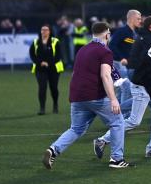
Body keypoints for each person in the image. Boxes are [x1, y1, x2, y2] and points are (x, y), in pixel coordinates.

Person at [42, 22, 133, 170]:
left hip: (77, 96)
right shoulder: (105, 51)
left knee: (76, 129)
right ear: (107, 35)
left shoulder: (82, 49)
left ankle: (53, 150)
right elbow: (105, 75)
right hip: (95, 96)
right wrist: (113, 99)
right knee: (117, 122)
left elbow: (75, 74)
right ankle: (117, 159)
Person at [95, 20, 151, 158]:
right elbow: (148, 56)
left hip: (150, 88)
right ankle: (102, 140)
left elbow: (150, 68)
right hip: (142, 87)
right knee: (134, 121)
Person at [108, 9, 142, 116]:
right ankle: (123, 116)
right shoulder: (122, 31)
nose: (140, 21)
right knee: (126, 88)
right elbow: (112, 45)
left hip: (128, 66)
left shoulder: (135, 33)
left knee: (122, 90)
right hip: (117, 64)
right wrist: (122, 57)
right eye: (138, 19)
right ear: (131, 19)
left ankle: (115, 114)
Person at [30, 24, 64, 115]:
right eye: (42, 30)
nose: (44, 31)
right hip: (40, 69)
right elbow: (32, 54)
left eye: (46, 30)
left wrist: (48, 63)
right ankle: (42, 108)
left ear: (50, 31)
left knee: (54, 88)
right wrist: (40, 62)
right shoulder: (36, 42)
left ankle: (55, 105)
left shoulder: (55, 41)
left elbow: (58, 55)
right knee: (42, 88)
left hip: (53, 69)